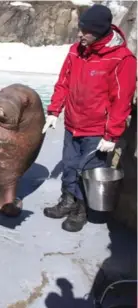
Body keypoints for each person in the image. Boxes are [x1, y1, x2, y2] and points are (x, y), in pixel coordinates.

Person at [42, 4, 137, 233]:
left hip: (97, 131)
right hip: (73, 124)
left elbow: (122, 100)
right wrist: (54, 111)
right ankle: (67, 200)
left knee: (89, 171)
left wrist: (112, 135)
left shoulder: (122, 59)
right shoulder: (76, 51)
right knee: (70, 164)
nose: (79, 34)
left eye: (85, 31)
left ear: (100, 31)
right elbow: (63, 82)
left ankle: (81, 209)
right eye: (80, 28)